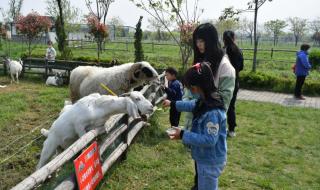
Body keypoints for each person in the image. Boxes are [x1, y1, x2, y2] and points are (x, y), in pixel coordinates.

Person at [163, 63, 227, 190]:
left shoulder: (212, 112)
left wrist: (182, 134)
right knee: (201, 183)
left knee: (207, 185)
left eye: (190, 88)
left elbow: (209, 140)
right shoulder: (205, 100)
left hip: (210, 161)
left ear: (198, 87)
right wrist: (173, 103)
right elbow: (192, 104)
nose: (190, 91)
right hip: (204, 157)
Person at [191, 23, 235, 190]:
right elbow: (192, 91)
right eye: (196, 41)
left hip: (211, 123)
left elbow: (224, 102)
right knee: (198, 163)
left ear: (211, 40)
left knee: (207, 166)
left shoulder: (225, 67)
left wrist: (199, 100)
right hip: (198, 119)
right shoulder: (203, 60)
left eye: (202, 41)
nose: (199, 45)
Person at [223, 30, 244, 137]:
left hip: (223, 81)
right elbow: (241, 67)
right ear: (234, 38)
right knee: (231, 106)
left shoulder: (223, 51)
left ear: (223, 39)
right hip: (235, 81)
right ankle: (231, 130)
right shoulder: (238, 50)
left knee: (221, 105)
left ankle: (220, 128)